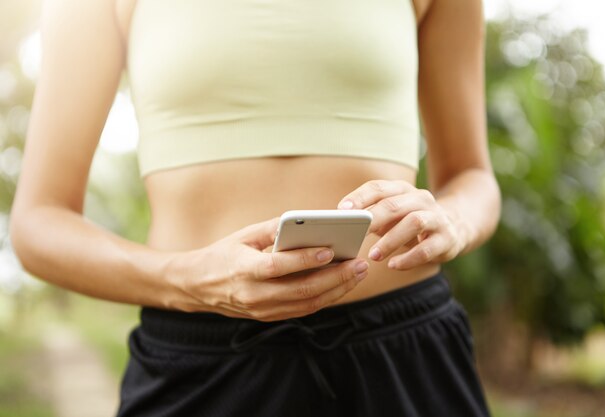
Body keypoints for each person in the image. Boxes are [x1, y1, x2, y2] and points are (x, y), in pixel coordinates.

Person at [10, 0, 501, 415]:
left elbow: (471, 175)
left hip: (405, 356)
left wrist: (455, 219)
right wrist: (185, 279)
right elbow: (38, 221)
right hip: (202, 364)